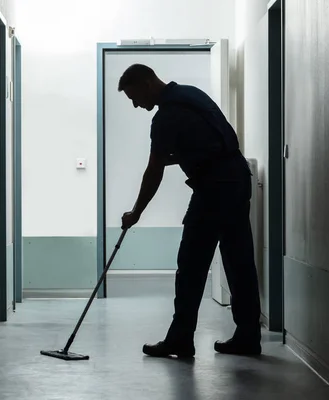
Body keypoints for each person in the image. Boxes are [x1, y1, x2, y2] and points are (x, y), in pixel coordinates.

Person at [118, 64, 262, 358]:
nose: (136, 105)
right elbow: (211, 143)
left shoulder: (166, 117)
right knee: (239, 262)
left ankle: (180, 339)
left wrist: (136, 212)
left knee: (191, 266)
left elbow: (154, 172)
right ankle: (248, 336)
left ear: (147, 83)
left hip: (214, 190)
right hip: (236, 180)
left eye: (135, 97)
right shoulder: (191, 95)